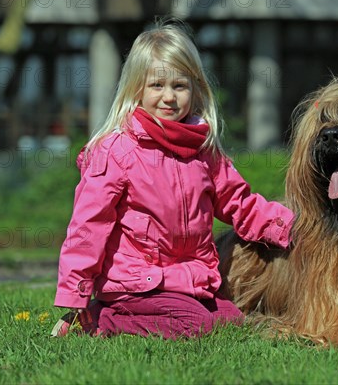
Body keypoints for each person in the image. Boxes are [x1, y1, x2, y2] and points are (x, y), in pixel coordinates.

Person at [51, 22, 294, 339]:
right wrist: (76, 293)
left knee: (232, 320)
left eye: (179, 86)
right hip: (136, 283)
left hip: (189, 281)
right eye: (157, 85)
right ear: (137, 89)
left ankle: (115, 316)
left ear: (195, 90)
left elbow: (240, 204)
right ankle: (97, 319)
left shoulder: (203, 152)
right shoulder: (117, 151)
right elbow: (88, 228)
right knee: (199, 326)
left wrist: (290, 226)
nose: (169, 97)